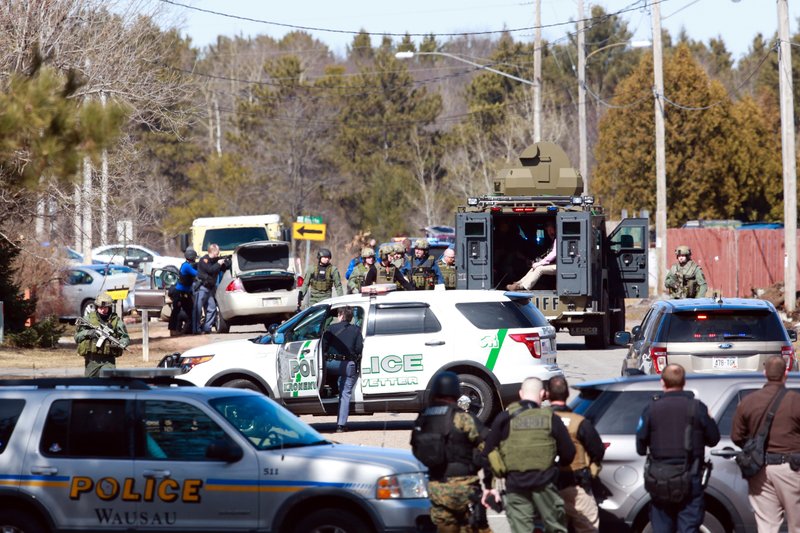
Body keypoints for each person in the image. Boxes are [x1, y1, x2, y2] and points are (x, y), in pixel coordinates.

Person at [482, 377, 575, 533]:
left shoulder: (505, 418)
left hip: (515, 486)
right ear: (543, 394)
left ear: (520, 393)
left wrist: (488, 487)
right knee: (556, 528)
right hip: (545, 484)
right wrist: (556, 468)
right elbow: (569, 453)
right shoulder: (550, 418)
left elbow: (487, 453)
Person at [636, 364, 720, 533]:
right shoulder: (697, 408)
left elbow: (640, 447)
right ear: (684, 382)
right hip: (690, 478)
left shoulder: (651, 409)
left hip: (660, 479)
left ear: (662, 382)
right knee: (688, 528)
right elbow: (713, 439)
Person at [410, 371, 493, 533]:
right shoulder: (463, 419)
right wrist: (489, 483)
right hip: (466, 489)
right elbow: (488, 449)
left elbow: (416, 449)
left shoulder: (423, 419)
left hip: (437, 488)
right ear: (456, 392)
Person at [731, 355, 800, 533]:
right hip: (791, 469)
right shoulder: (796, 401)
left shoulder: (748, 401)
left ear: (764, 373)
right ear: (786, 373)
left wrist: (754, 449)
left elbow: (736, 436)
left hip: (760, 470)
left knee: (767, 525)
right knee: (797, 525)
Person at [548, 375, 606, 533]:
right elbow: (597, 450)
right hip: (575, 485)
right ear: (567, 395)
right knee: (588, 526)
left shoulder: (541, 420)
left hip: (546, 487)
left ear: (547, 394)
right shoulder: (578, 422)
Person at [321, 306, 363, 432]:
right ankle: (341, 425)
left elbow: (323, 347)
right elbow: (359, 349)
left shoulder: (331, 328)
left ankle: (329, 389)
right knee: (345, 393)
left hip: (331, 364)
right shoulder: (356, 330)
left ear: (340, 316)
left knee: (321, 370)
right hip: (347, 365)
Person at [75, 293, 130, 377]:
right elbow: (77, 337)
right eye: (101, 308)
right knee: (91, 384)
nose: (103, 310)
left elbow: (125, 337)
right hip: (92, 360)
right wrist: (89, 333)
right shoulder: (88, 319)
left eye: (105, 308)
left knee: (109, 383)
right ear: (97, 307)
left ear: (109, 307)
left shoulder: (116, 321)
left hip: (109, 359)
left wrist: (121, 343)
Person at [507, 221, 557, 291]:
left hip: (560, 266)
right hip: (555, 265)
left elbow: (554, 254)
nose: (549, 232)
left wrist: (540, 263)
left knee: (539, 269)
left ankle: (523, 287)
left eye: (551, 230)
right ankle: (518, 284)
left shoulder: (558, 239)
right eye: (548, 230)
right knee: (534, 267)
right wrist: (538, 262)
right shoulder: (553, 240)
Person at [194, 243, 229, 334]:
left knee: (212, 308)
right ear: (213, 252)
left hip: (210, 289)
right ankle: (196, 329)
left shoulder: (215, 261)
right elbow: (210, 270)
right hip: (202, 287)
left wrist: (226, 262)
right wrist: (218, 263)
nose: (218, 254)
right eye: (217, 253)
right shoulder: (204, 260)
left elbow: (224, 268)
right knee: (197, 309)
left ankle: (207, 328)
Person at [168, 247, 197, 336]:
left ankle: (188, 329)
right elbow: (196, 273)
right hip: (179, 292)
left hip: (186, 292)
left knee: (190, 310)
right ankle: (173, 330)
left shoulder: (188, 265)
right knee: (176, 311)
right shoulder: (186, 266)